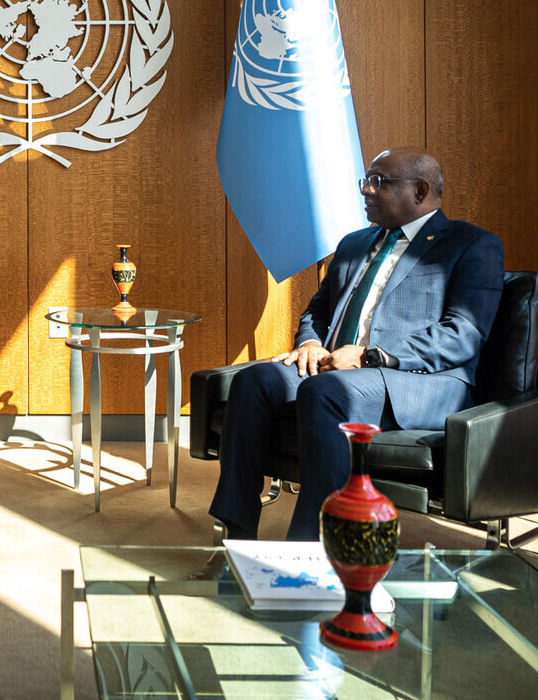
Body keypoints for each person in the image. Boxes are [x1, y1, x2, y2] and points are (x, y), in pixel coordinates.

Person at [209, 147, 504, 541]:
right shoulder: (353, 244)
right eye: (366, 180)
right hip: (334, 368)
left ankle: (313, 547)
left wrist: (370, 357)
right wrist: (310, 343)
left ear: (420, 190)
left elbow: (463, 334)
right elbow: (317, 309)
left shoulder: (471, 245)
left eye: (379, 182)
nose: (366, 190)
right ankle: (236, 536)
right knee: (253, 382)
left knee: (327, 391)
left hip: (419, 381)